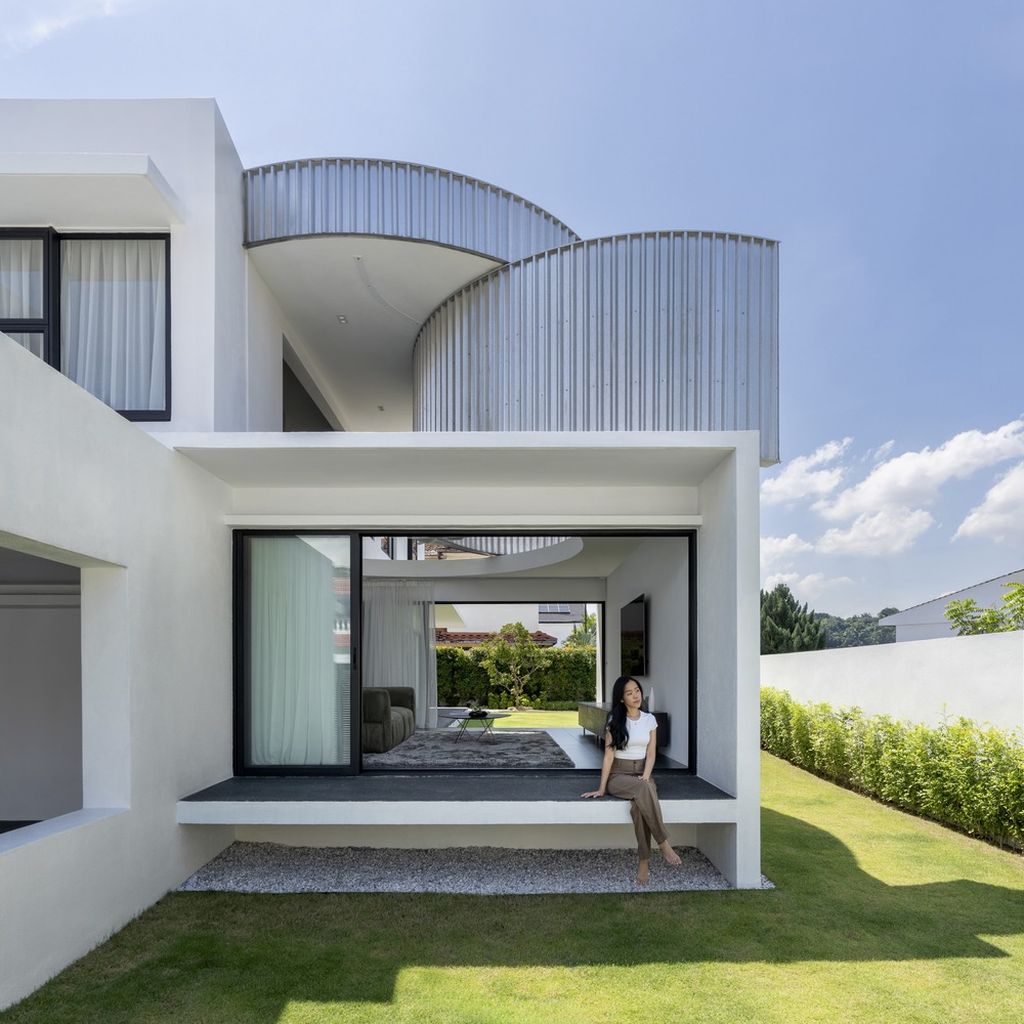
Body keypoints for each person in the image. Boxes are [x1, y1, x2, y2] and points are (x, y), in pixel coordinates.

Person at [581, 675, 683, 885]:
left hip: (642, 773)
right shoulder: (615, 722)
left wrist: (646, 775)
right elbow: (609, 757)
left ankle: (644, 861)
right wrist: (601, 788)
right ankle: (663, 843)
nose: (635, 695)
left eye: (636, 690)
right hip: (619, 776)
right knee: (644, 790)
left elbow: (652, 753)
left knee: (639, 807)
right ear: (621, 699)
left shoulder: (649, 720)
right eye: (629, 693)